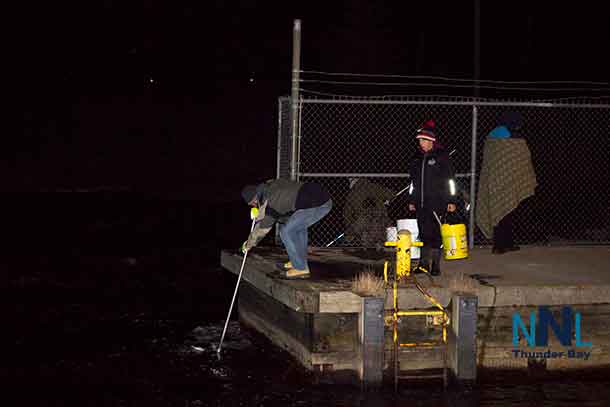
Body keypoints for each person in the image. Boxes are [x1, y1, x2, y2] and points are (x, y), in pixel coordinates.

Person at [241, 179, 332, 278]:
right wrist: (262, 214)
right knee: (298, 228)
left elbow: (262, 229)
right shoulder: (269, 187)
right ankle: (298, 261)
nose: (254, 206)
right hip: (315, 198)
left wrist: (248, 244)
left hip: (318, 204)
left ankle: (300, 268)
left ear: (254, 199)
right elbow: (282, 209)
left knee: (286, 232)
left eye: (252, 204)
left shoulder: (271, 201)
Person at [476, 111, 537, 254]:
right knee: (507, 211)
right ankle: (500, 245)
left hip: (493, 180)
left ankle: (506, 243)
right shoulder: (508, 133)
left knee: (502, 210)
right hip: (507, 179)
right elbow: (520, 151)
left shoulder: (493, 133)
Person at [407, 120, 458, 276]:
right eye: (420, 140)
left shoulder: (441, 156)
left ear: (432, 141)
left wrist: (451, 200)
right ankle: (423, 264)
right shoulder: (416, 158)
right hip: (421, 203)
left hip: (438, 203)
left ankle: (435, 265)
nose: (421, 143)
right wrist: (411, 200)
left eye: (424, 140)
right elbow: (413, 183)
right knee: (424, 233)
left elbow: (450, 181)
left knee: (436, 233)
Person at [343, 178, 395, 248]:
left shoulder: (350, 195)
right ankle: (384, 244)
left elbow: (347, 216)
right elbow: (391, 194)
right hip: (381, 222)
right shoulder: (374, 187)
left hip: (364, 225)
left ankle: (369, 246)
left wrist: (349, 232)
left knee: (360, 226)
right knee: (386, 224)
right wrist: (388, 199)